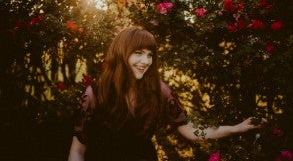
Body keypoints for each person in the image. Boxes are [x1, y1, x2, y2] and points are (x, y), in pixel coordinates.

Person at [68, 27, 265, 161]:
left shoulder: (158, 90)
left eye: (150, 55)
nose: (146, 61)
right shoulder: (95, 94)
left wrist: (236, 128)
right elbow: (77, 151)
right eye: (138, 53)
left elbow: (191, 131)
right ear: (121, 53)